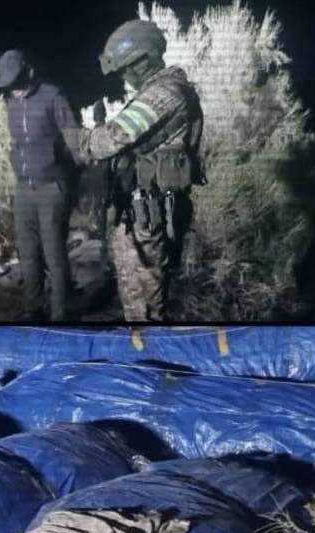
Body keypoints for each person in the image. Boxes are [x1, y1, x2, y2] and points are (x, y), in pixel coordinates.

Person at [65, 20, 205, 322]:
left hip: (147, 216)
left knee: (144, 307)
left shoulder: (164, 93)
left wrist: (77, 136)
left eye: (126, 68)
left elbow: (112, 139)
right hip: (141, 212)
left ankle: (148, 359)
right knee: (139, 300)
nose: (124, 76)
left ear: (144, 60)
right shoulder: (162, 90)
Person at [0, 49, 81, 321]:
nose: (14, 90)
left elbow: (75, 143)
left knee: (54, 251)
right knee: (28, 251)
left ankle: (60, 312)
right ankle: (32, 308)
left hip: (52, 187)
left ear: (29, 73)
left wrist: (70, 180)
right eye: (9, 85)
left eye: (17, 83)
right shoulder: (10, 101)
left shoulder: (53, 97)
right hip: (24, 188)